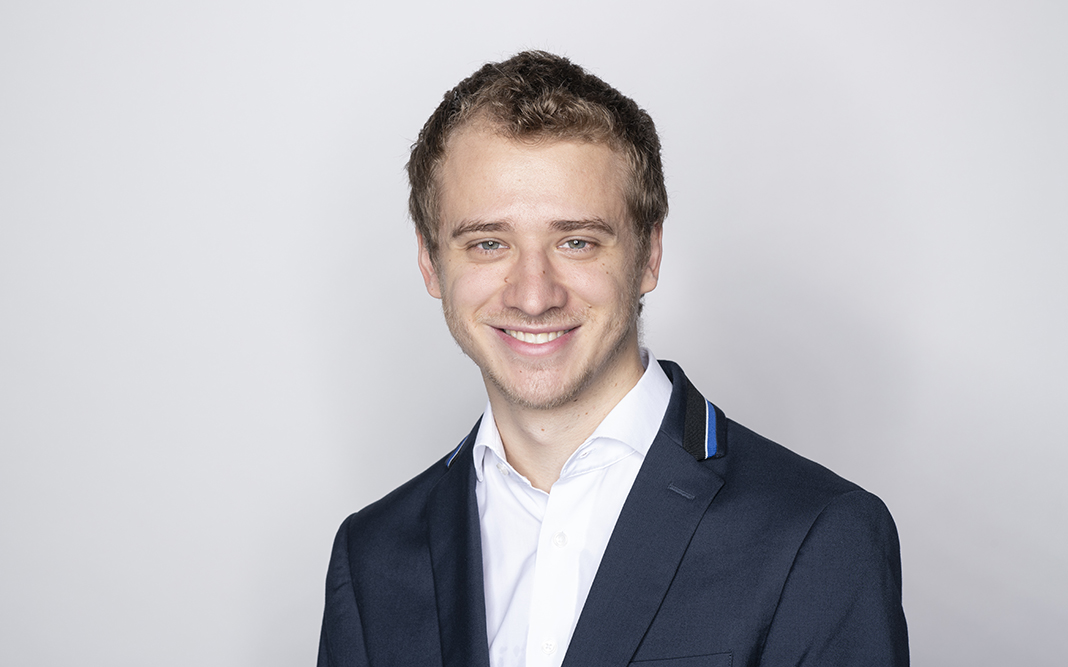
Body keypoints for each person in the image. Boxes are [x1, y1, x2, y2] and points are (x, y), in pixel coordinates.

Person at [318, 51, 909, 667]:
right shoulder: (371, 556)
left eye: (576, 241)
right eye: (489, 243)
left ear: (649, 254)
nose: (533, 296)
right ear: (429, 261)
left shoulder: (817, 535)